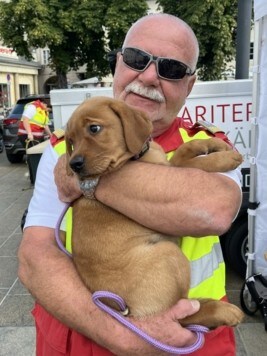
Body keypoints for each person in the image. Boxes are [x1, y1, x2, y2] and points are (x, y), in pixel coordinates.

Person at [18, 14, 242, 356]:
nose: (150, 76)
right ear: (119, 63)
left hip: (190, 338)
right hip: (82, 340)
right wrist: (125, 335)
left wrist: (89, 180)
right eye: (137, 59)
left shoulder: (207, 141)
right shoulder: (63, 148)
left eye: (171, 68)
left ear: (190, 85)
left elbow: (212, 211)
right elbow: (36, 258)